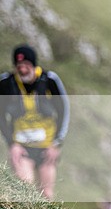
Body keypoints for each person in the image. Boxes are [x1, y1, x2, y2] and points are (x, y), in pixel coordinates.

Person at [0, 44, 70, 199]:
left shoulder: (49, 80)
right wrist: (12, 144)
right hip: (22, 148)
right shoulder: (6, 83)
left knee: (47, 195)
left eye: (26, 65)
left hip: (47, 148)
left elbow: (63, 111)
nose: (23, 69)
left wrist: (56, 144)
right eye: (19, 66)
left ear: (34, 65)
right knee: (26, 192)